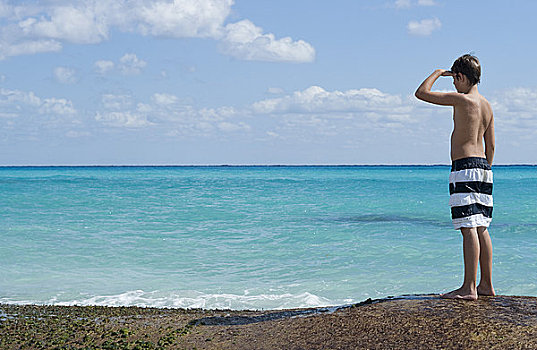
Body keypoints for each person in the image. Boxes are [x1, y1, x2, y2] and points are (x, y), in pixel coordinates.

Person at [415, 54, 495, 300]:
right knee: (481, 226)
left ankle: (468, 288)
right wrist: (484, 170)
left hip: (465, 166)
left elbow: (421, 93)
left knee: (467, 227)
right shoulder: (487, 105)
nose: (453, 85)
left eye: (454, 79)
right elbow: (491, 146)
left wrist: (439, 72)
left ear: (460, 77)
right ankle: (486, 285)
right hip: (484, 168)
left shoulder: (461, 100)